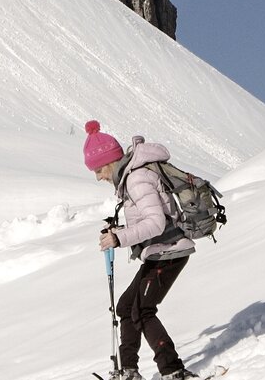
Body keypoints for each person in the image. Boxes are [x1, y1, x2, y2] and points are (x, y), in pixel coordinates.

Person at [85, 120, 199, 380]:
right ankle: (128, 371)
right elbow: (151, 217)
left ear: (112, 161)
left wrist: (119, 238)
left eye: (99, 169)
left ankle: (174, 371)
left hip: (170, 250)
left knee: (143, 310)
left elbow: (156, 223)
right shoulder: (132, 178)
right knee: (126, 307)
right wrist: (119, 229)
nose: (99, 177)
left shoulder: (137, 178)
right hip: (160, 250)